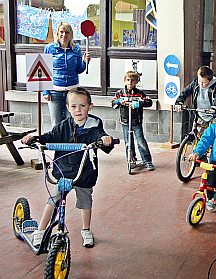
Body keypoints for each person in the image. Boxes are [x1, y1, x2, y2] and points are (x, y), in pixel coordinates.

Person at [22, 87, 114, 248]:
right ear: (67, 107)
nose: (78, 110)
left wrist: (105, 139)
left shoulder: (94, 124)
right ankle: (41, 230)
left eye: (82, 106)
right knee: (54, 198)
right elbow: (49, 137)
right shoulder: (63, 126)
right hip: (64, 169)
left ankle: (86, 230)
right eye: (73, 106)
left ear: (90, 106)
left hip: (83, 172)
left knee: (85, 201)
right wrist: (35, 139)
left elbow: (100, 136)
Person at [43, 22, 91, 127]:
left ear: (70, 34)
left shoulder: (76, 49)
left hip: (73, 92)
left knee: (72, 122)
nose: (64, 35)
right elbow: (44, 70)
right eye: (61, 32)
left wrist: (85, 62)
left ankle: (70, 143)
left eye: (67, 32)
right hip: (55, 91)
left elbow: (79, 69)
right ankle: (57, 143)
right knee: (56, 123)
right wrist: (45, 91)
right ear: (57, 33)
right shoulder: (50, 48)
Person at [111, 71, 154, 171]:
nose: (130, 82)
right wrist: (119, 102)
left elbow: (149, 102)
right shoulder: (120, 93)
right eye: (128, 80)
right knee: (128, 142)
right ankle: (131, 160)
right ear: (124, 81)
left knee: (141, 141)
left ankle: (147, 161)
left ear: (136, 82)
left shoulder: (140, 93)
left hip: (136, 122)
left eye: (133, 80)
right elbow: (113, 104)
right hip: (125, 122)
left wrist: (138, 104)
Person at [174, 66, 216, 132]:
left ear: (210, 81)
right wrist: (179, 102)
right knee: (198, 136)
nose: (201, 84)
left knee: (212, 135)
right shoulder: (195, 84)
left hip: (212, 116)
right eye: (199, 81)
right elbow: (185, 92)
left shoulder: (215, 86)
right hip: (199, 115)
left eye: (204, 82)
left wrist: (214, 107)